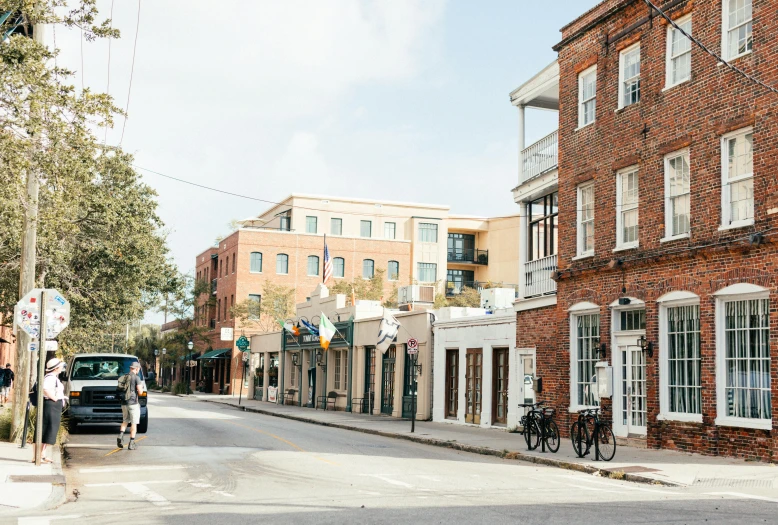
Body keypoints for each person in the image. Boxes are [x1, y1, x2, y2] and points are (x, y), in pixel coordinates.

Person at [33, 358, 66, 464]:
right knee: (44, 429)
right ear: (56, 368)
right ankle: (37, 456)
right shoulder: (50, 378)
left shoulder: (53, 377)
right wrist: (55, 398)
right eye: (60, 366)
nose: (62, 368)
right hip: (50, 406)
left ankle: (42, 455)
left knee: (49, 430)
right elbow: (45, 389)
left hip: (53, 406)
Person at [117, 362, 143, 450]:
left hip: (124, 403)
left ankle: (120, 435)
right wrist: (141, 388)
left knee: (125, 420)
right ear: (137, 369)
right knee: (133, 423)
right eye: (138, 369)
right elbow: (140, 392)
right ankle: (131, 443)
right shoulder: (136, 378)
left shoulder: (124, 377)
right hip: (133, 404)